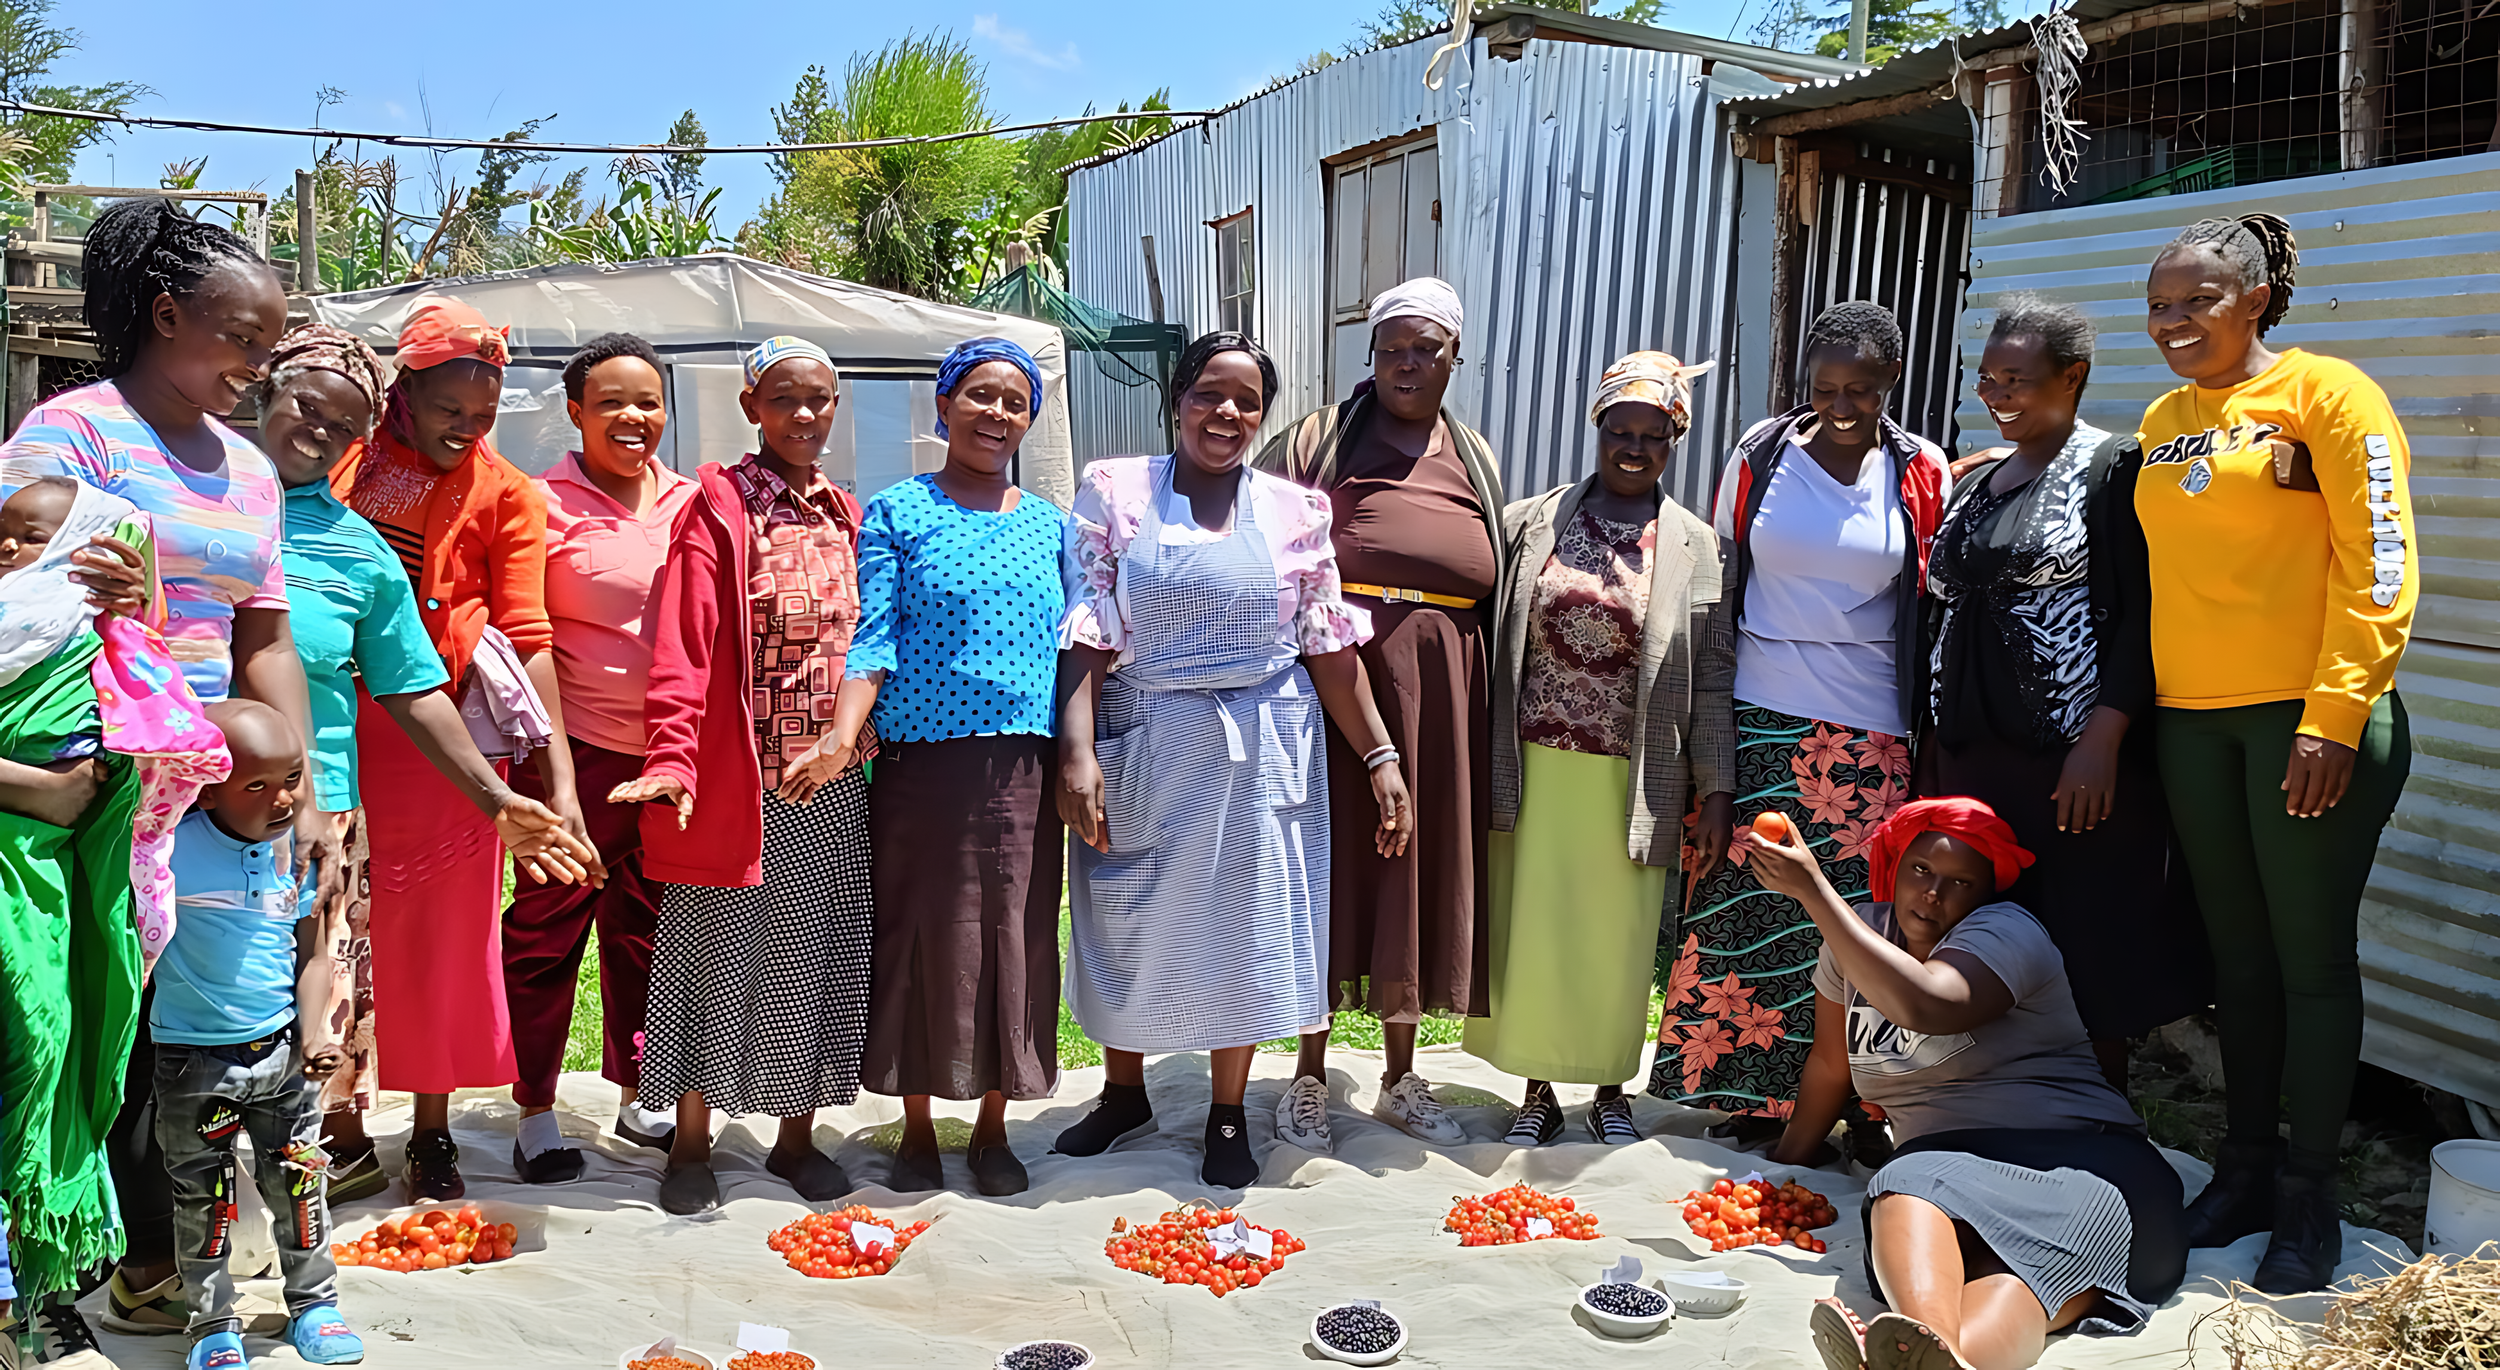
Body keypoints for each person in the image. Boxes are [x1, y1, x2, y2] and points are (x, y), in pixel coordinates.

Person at [0, 196, 324, 1361]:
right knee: (86, 1023)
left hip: (216, 790)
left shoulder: (246, 469)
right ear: (166, 311)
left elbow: (264, 637)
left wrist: (304, 789)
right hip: (93, 776)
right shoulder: (70, 437)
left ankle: (145, 1262)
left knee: (189, 1035)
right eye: (240, 340)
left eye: (267, 348)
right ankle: (63, 1272)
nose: (255, 367)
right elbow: (22, 603)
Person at [1054, 332, 1412, 1188]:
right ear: (1177, 399)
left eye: (1246, 401)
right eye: (1210, 394)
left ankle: (1226, 1111)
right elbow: (1089, 626)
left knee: (1245, 929)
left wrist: (1379, 755)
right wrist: (1076, 749)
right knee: (1126, 915)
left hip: (1261, 741)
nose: (1227, 414)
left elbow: (1326, 647)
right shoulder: (1115, 489)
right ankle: (1123, 1091)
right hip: (1146, 731)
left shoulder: (1297, 510)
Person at [252, 324, 597, 1205]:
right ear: (400, 395)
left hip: (441, 733)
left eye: (483, 415)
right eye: (449, 408)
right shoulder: (335, 459)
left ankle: (433, 1130)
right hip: (331, 729)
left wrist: (554, 776)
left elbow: (530, 635)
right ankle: (340, 1127)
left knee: (442, 942)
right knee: (337, 938)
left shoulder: (507, 492)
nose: (467, 429)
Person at [2136, 214, 2414, 1292]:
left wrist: (2335, 712)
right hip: (2193, 722)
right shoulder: (2165, 418)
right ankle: (2241, 1168)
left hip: (2307, 723)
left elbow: (2379, 559)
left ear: (2251, 297)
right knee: (2236, 966)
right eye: (2158, 305)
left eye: (2194, 302)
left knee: (2309, 963)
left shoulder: (2328, 396)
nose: (2171, 323)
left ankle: (2310, 1193)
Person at [1649, 301, 1951, 1147]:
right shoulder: (1763, 453)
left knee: (1856, 916)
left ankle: (1861, 1099)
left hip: (1871, 727)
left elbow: (1935, 587)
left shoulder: (1921, 469)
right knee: (1749, 902)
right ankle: (1750, 1096)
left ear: (1892, 381)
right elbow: (1718, 574)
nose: (1843, 405)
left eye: (1862, 388)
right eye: (1826, 388)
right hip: (1761, 707)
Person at [1756, 798, 2186, 1370]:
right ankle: (1934, 1357)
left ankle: (1914, 1346)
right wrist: (1784, 1172)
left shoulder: (2008, 933)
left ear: (1986, 895)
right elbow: (1832, 1066)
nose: (1934, 893)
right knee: (2003, 1286)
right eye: (1920, 870)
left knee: (1905, 1179)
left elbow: (1930, 1004)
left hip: (2084, 1166)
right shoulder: (1854, 942)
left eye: (1960, 882)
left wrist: (1813, 891)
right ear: (1894, 866)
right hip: (1955, 1192)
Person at [613, 337, 878, 1215]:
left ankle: (793, 1138)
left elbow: (871, 644)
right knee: (708, 958)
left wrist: (848, 740)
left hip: (831, 777)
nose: (806, 416)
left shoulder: (846, 512)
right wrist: (673, 760)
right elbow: (684, 644)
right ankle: (691, 1139)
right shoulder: (720, 508)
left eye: (821, 400)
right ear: (750, 407)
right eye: (786, 400)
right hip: (740, 780)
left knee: (810, 956)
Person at [1924, 294, 2208, 1091]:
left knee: (2085, 943)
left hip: (2069, 764)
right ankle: (1986, 1100)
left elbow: (2147, 613)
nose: (1997, 396)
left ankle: (2092, 1118)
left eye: (2015, 380)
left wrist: (2104, 738)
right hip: (1974, 756)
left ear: (2073, 376)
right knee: (1981, 932)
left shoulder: (2114, 468)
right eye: (1987, 380)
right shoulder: (1978, 479)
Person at [1252, 276, 1502, 1152]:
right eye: (1392, 346)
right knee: (1331, 866)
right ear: (1371, 354)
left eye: (1425, 348)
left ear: (1454, 358)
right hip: (1337, 683)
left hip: (1445, 691)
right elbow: (1259, 538)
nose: (1407, 362)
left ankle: (1401, 1075)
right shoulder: (1320, 440)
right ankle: (1310, 1074)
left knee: (1420, 868)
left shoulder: (1471, 452)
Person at [1465, 351, 1735, 1146]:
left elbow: (1713, 675)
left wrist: (1715, 788)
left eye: (1654, 436)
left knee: (1617, 938)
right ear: (1597, 429)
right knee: (1539, 929)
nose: (1634, 447)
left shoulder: (1697, 546)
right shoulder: (1529, 523)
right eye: (1620, 430)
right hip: (1536, 764)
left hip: (1637, 775)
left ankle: (1612, 1087)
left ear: (1675, 440)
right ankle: (1538, 1090)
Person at [831, 338, 1068, 1197]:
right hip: (919, 771)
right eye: (979, 396)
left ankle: (997, 1125)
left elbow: (1076, 648)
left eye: (1013, 401)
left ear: (1029, 418)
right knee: (924, 941)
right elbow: (874, 638)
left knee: (1014, 939)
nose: (996, 414)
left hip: (1023, 774)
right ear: (944, 407)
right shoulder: (897, 512)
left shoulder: (1053, 526)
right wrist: (839, 735)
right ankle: (920, 1124)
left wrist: (1079, 756)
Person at [501, 333, 698, 1184]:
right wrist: (548, 770)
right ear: (575, 413)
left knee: (645, 933)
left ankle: (633, 1092)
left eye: (648, 402)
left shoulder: (693, 501)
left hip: (667, 758)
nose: (633, 417)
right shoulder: (539, 503)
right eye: (611, 402)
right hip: (571, 753)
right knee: (548, 931)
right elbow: (520, 633)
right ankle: (536, 1107)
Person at [150, 700, 367, 1370]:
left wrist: (313, 1034)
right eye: (256, 785)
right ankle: (214, 1324)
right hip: (193, 1063)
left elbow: (309, 955)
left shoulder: (294, 854)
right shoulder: (171, 852)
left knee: (301, 1186)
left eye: (293, 779)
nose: (281, 800)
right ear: (209, 785)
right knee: (204, 1199)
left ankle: (315, 1304)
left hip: (281, 1056)